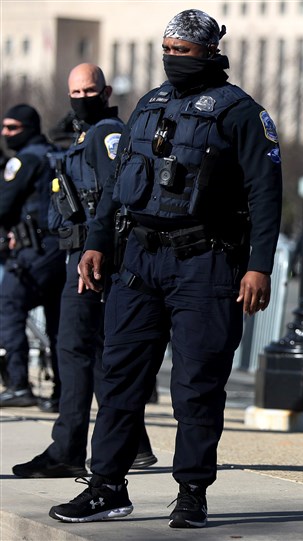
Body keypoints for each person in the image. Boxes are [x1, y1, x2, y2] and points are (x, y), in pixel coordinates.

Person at [49, 9, 282, 529]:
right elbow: (115, 190)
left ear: (210, 52)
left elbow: (266, 194)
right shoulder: (148, 105)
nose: (172, 58)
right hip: (138, 262)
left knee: (197, 384)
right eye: (168, 49)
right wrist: (96, 244)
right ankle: (107, 485)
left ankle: (193, 492)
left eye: (184, 51)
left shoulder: (241, 112)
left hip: (207, 263)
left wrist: (259, 266)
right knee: (118, 377)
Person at [12, 63, 157, 479]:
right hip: (82, 253)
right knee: (92, 353)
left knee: (74, 349)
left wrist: (95, 249)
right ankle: (133, 443)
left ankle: (68, 450)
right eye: (74, 92)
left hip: (92, 258)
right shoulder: (85, 133)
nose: (80, 99)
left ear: (105, 90)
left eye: (88, 91)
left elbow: (115, 195)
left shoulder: (105, 133)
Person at [0, 104, 66, 409]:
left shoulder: (25, 160)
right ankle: (62, 393)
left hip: (34, 250)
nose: (6, 133)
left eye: (12, 128)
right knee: (57, 325)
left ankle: (17, 384)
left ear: (28, 127)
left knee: (9, 307)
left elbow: (4, 204)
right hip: (62, 250)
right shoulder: (56, 154)